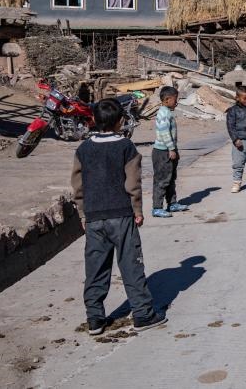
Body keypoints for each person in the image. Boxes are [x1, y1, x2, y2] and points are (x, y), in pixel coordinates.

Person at [71, 99, 167, 335]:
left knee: (95, 268)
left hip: (94, 217)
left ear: (94, 120)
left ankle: (95, 319)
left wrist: (82, 213)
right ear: (121, 121)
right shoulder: (126, 147)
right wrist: (137, 210)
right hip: (122, 215)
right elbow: (133, 183)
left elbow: (77, 185)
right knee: (131, 264)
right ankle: (143, 314)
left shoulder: (83, 149)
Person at [152, 86, 187, 218]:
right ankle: (157, 208)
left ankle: (172, 203)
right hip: (163, 152)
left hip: (169, 150)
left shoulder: (167, 112)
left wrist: (174, 149)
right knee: (162, 180)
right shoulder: (163, 114)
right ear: (167, 100)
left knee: (171, 178)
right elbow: (165, 133)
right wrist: (171, 149)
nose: (176, 102)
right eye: (175, 99)